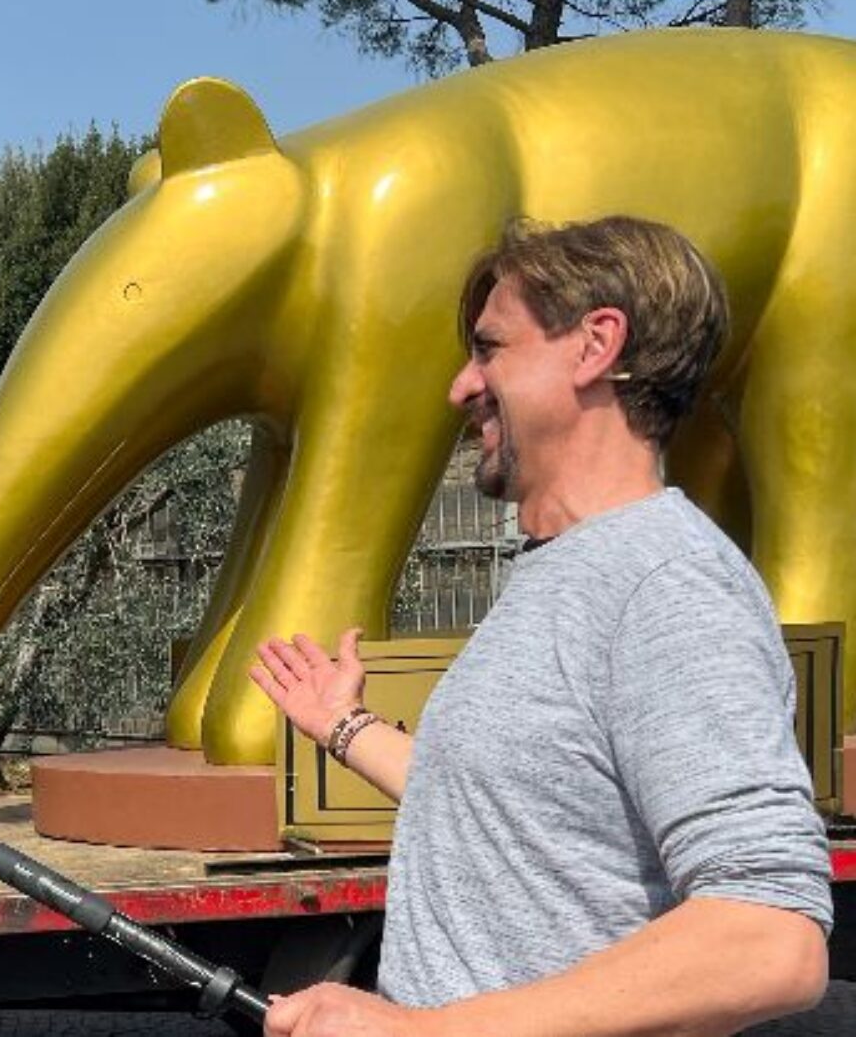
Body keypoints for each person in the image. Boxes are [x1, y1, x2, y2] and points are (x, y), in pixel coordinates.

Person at [249, 217, 832, 1037]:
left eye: (491, 349)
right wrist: (342, 725)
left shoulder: (665, 583)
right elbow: (513, 817)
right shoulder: (566, 569)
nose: (461, 385)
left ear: (596, 346)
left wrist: (426, 1031)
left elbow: (770, 938)